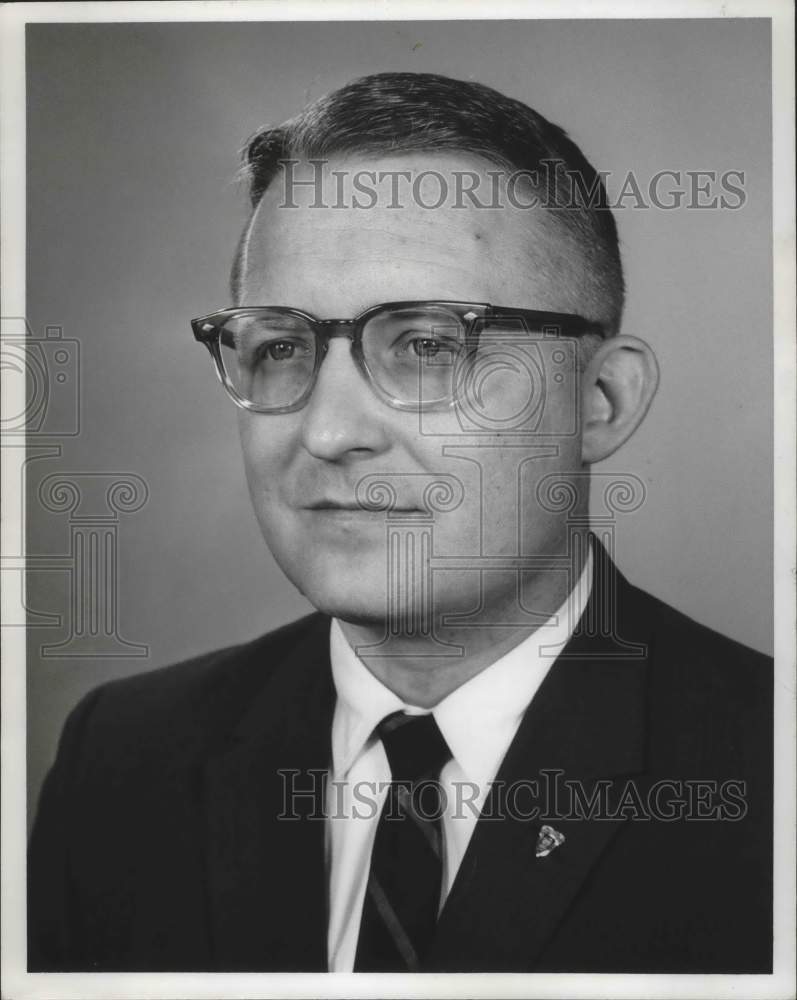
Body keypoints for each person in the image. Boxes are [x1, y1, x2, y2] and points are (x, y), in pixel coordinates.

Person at [28, 72, 772, 974]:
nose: (329, 431)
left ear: (600, 400)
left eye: (428, 345)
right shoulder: (124, 761)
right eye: (279, 347)